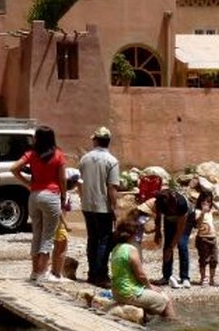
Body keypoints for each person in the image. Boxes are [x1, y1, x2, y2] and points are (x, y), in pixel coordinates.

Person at [10, 125, 67, 283]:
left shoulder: (32, 154)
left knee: (37, 234)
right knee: (48, 236)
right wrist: (64, 196)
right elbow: (62, 179)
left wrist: (26, 183)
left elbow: (14, 168)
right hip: (51, 195)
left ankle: (34, 271)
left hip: (34, 196)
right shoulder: (58, 155)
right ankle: (42, 272)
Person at [108, 220, 176, 320]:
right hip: (129, 292)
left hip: (117, 292)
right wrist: (150, 287)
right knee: (165, 300)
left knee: (152, 300)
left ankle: (149, 320)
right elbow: (141, 275)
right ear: (134, 234)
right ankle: (173, 323)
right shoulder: (131, 250)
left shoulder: (116, 248)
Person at [78, 125, 120, 287]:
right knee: (104, 239)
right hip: (103, 206)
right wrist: (114, 208)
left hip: (87, 205)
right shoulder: (112, 161)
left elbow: (79, 182)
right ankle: (101, 274)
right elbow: (112, 188)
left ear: (96, 140)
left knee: (92, 238)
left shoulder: (85, 159)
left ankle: (91, 273)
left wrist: (83, 198)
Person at [140, 186, 193, 289]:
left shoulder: (181, 204)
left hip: (186, 219)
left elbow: (180, 230)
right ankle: (166, 276)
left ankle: (185, 277)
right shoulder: (160, 202)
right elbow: (158, 216)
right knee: (167, 245)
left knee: (182, 244)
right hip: (170, 220)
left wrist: (171, 247)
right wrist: (158, 232)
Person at [52, 168, 82, 280]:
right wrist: (65, 224)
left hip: (57, 224)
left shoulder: (61, 191)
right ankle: (58, 274)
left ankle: (54, 272)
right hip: (60, 224)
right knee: (62, 249)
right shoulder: (61, 193)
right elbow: (58, 208)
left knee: (57, 248)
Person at [193, 189, 219, 286]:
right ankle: (203, 278)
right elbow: (198, 225)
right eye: (204, 201)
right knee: (204, 259)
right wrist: (203, 213)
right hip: (203, 238)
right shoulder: (197, 212)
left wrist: (213, 203)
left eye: (208, 201)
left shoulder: (211, 211)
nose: (206, 204)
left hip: (213, 237)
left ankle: (212, 279)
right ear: (200, 201)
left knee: (214, 259)